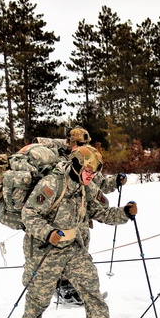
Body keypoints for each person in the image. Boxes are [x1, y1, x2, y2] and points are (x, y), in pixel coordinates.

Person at [18, 144, 137, 318]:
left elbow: (102, 213)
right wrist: (48, 233)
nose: (91, 176)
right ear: (76, 166)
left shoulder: (86, 188)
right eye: (88, 171)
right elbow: (29, 214)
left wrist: (124, 213)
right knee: (39, 296)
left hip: (73, 247)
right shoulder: (52, 183)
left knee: (90, 286)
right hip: (45, 249)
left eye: (94, 172)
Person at [54, 127, 127, 305]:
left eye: (86, 143)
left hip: (84, 212)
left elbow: (99, 184)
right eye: (79, 144)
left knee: (82, 246)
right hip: (64, 214)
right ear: (71, 143)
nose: (83, 146)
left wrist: (115, 181)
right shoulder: (62, 161)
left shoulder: (88, 158)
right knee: (66, 248)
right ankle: (62, 286)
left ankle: (77, 286)